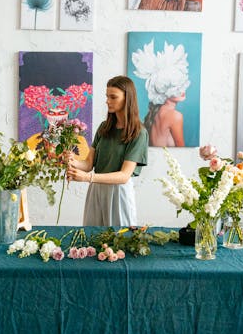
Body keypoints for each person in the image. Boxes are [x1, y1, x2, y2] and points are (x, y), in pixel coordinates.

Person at [67, 76, 148, 226]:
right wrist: (72, 161)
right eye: (107, 96)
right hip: (96, 190)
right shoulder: (104, 128)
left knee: (119, 241)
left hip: (119, 193)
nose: (108, 101)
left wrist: (87, 178)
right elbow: (88, 164)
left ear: (127, 98)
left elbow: (124, 176)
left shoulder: (138, 133)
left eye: (113, 97)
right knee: (92, 238)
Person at [131, 39, 190, 147]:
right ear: (163, 91)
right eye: (175, 87)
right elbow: (182, 151)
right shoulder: (175, 116)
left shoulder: (155, 114)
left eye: (182, 85)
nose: (182, 90)